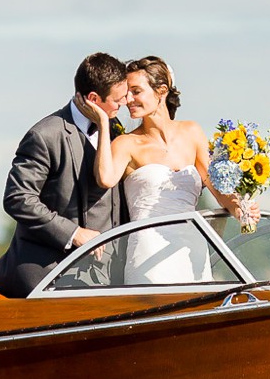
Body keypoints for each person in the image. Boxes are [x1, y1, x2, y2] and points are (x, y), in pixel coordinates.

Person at [86, 56, 257, 284]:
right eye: (127, 93)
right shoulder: (126, 143)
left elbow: (218, 190)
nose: (128, 100)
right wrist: (103, 123)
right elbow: (105, 178)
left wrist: (241, 210)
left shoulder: (192, 132)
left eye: (136, 91)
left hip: (192, 249)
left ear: (162, 91)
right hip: (148, 251)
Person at [0, 52, 130, 298]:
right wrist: (74, 234)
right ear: (94, 99)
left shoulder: (114, 131)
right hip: (48, 275)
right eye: (118, 99)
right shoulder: (45, 135)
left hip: (106, 278)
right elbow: (18, 198)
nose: (123, 103)